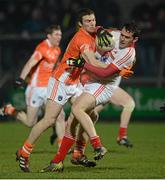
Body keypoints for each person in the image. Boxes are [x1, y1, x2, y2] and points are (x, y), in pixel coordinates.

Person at [15, 8, 111, 172]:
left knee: (92, 113)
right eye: (87, 21)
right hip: (60, 82)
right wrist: (114, 68)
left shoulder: (94, 31)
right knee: (49, 120)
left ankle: (78, 153)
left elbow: (104, 31)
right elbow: (93, 62)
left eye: (93, 20)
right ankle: (24, 152)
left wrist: (103, 29)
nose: (92, 23)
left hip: (74, 83)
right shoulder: (82, 38)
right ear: (80, 24)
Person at [53, 22, 140, 168]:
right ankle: (73, 156)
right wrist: (99, 30)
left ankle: (97, 145)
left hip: (103, 85)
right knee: (81, 118)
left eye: (127, 37)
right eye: (122, 35)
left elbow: (105, 73)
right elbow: (99, 28)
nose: (122, 39)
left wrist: (82, 63)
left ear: (134, 39)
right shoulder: (115, 34)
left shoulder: (128, 54)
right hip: (91, 79)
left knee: (77, 110)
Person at [0, 25, 65, 146]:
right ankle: (10, 109)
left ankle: (62, 147)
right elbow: (30, 63)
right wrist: (21, 78)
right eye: (56, 35)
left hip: (48, 88)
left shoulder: (57, 49)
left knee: (59, 115)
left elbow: (55, 67)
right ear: (49, 36)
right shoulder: (42, 48)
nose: (59, 37)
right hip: (35, 88)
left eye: (60, 35)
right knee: (30, 122)